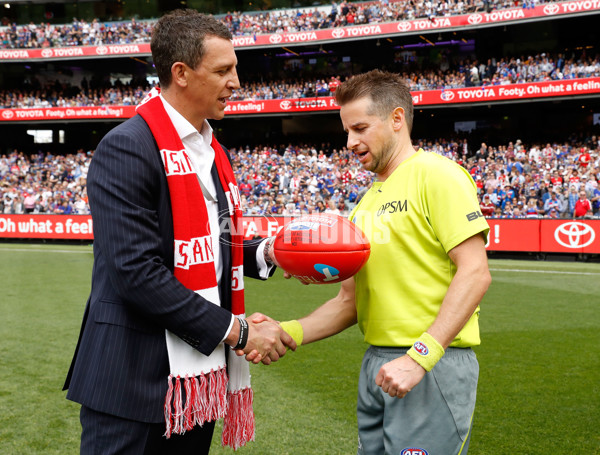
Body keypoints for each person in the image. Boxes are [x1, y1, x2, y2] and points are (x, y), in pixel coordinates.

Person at [63, 10, 295, 455]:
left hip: (196, 379)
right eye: (223, 70)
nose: (236, 82)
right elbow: (136, 272)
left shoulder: (213, 150)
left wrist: (270, 251)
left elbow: (210, 242)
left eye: (236, 68)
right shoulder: (127, 146)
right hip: (132, 379)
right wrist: (240, 332)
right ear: (181, 73)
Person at [266, 70, 491, 454]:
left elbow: (475, 272)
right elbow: (348, 301)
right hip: (378, 363)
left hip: (429, 363)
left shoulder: (437, 176)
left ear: (397, 119)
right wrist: (286, 331)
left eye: (360, 128)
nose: (350, 142)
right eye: (347, 131)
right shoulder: (367, 201)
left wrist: (420, 358)